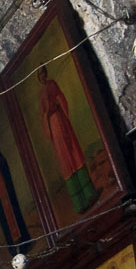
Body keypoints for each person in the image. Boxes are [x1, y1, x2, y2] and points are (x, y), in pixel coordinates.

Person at [36, 66, 98, 214]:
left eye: (43, 73)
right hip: (54, 125)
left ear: (46, 73)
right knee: (65, 160)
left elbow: (61, 98)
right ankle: (79, 203)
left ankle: (89, 193)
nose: (43, 77)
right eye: (40, 76)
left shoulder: (52, 84)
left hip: (61, 120)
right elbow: (43, 114)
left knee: (74, 153)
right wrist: (47, 115)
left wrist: (58, 104)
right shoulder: (41, 94)